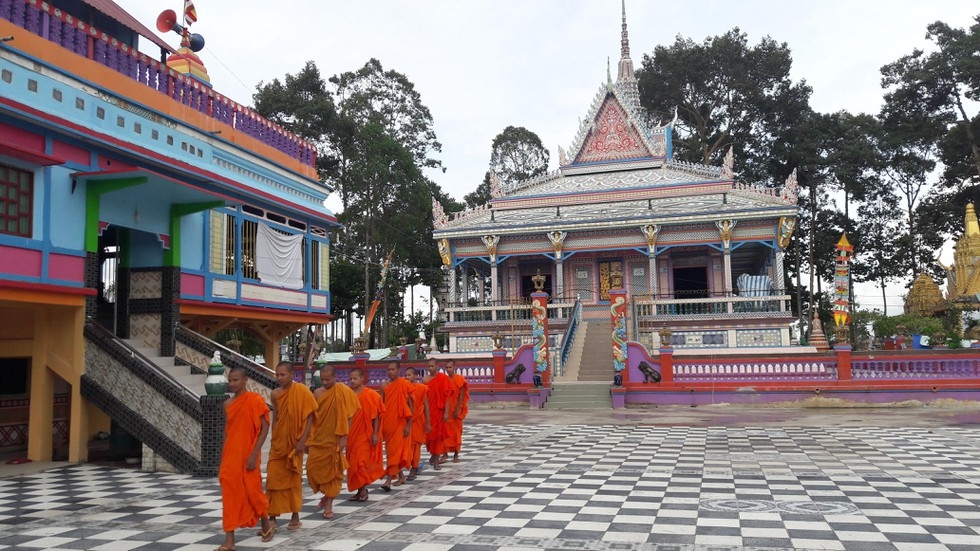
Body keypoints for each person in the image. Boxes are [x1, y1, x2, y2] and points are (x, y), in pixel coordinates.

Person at [217, 367, 275, 550]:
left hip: (249, 454)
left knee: (253, 490)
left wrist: (253, 454)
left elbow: (265, 428)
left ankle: (266, 522)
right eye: (230, 380)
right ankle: (230, 540)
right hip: (231, 456)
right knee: (229, 494)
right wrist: (222, 457)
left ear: (245, 380)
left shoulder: (255, 401)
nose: (232, 384)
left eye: (236, 380)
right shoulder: (227, 404)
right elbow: (227, 431)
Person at [266, 361, 316, 531]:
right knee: (272, 479)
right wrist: (274, 437)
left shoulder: (301, 390)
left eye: (282, 374)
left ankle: (295, 516)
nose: (279, 378)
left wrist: (303, 440)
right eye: (277, 374)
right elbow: (276, 418)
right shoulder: (275, 393)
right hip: (279, 442)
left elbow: (310, 415)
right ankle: (272, 517)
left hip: (295, 441)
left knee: (294, 476)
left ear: (291, 375)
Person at [306, 364, 359, 520]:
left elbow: (349, 415)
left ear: (335, 377)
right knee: (311, 470)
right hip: (319, 439)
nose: (325, 382)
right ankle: (325, 493)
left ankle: (329, 505)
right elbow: (312, 418)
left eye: (328, 379)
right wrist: (308, 438)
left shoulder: (343, 392)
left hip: (335, 438)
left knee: (333, 472)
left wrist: (345, 437)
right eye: (322, 379)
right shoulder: (317, 393)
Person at [346, 367, 385, 502]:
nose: (352, 381)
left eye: (355, 378)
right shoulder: (348, 395)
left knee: (360, 462)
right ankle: (359, 489)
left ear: (363, 378)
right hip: (351, 434)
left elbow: (376, 416)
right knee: (352, 463)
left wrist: (375, 433)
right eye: (350, 378)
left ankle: (363, 490)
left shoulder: (371, 395)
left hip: (365, 433)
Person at [379, 361, 414, 491]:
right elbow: (381, 405)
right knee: (392, 452)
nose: (390, 372)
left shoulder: (405, 384)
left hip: (400, 423)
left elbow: (411, 405)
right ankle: (401, 476)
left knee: (395, 452)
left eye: (393, 369)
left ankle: (388, 480)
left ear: (398, 370)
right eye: (388, 369)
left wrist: (408, 425)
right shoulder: (383, 385)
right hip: (387, 423)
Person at [422, 358, 452, 470]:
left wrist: (446, 412)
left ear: (437, 366)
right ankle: (433, 455)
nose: (430, 368)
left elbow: (447, 396)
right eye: (429, 366)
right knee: (430, 436)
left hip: (439, 411)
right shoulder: (425, 380)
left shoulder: (443, 378)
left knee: (438, 436)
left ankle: (436, 460)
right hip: (429, 411)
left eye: (432, 366)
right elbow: (423, 397)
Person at [404, 366, 430, 481]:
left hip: (418, 421)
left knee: (416, 446)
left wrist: (428, 422)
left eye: (409, 375)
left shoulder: (422, 388)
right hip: (406, 421)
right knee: (407, 446)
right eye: (405, 375)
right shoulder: (403, 388)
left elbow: (426, 405)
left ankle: (414, 468)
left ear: (415, 376)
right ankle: (411, 465)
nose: (407, 377)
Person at [444, 359, 469, 463]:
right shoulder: (444, 380)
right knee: (445, 433)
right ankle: (444, 454)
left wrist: (457, 409)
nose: (448, 369)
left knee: (457, 433)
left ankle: (456, 454)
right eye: (447, 368)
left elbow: (462, 395)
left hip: (455, 409)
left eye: (450, 367)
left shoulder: (460, 379)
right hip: (446, 410)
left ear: (454, 367)